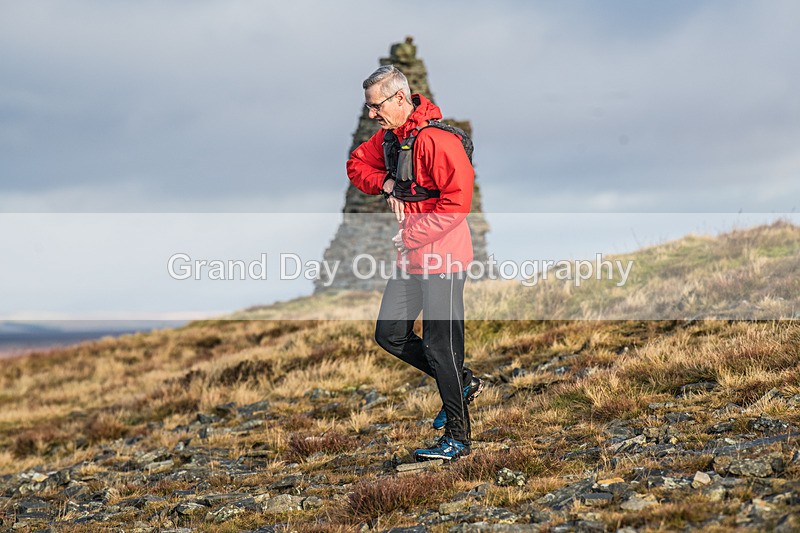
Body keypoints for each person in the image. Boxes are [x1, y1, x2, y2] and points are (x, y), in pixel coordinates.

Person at [346, 65, 483, 461]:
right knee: (390, 334)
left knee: (443, 350)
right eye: (369, 107)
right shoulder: (391, 138)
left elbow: (456, 206)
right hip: (412, 261)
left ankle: (458, 440)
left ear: (400, 98)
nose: (372, 115)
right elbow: (356, 164)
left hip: (444, 258)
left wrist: (409, 235)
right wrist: (387, 183)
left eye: (376, 106)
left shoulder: (438, 141)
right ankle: (465, 383)